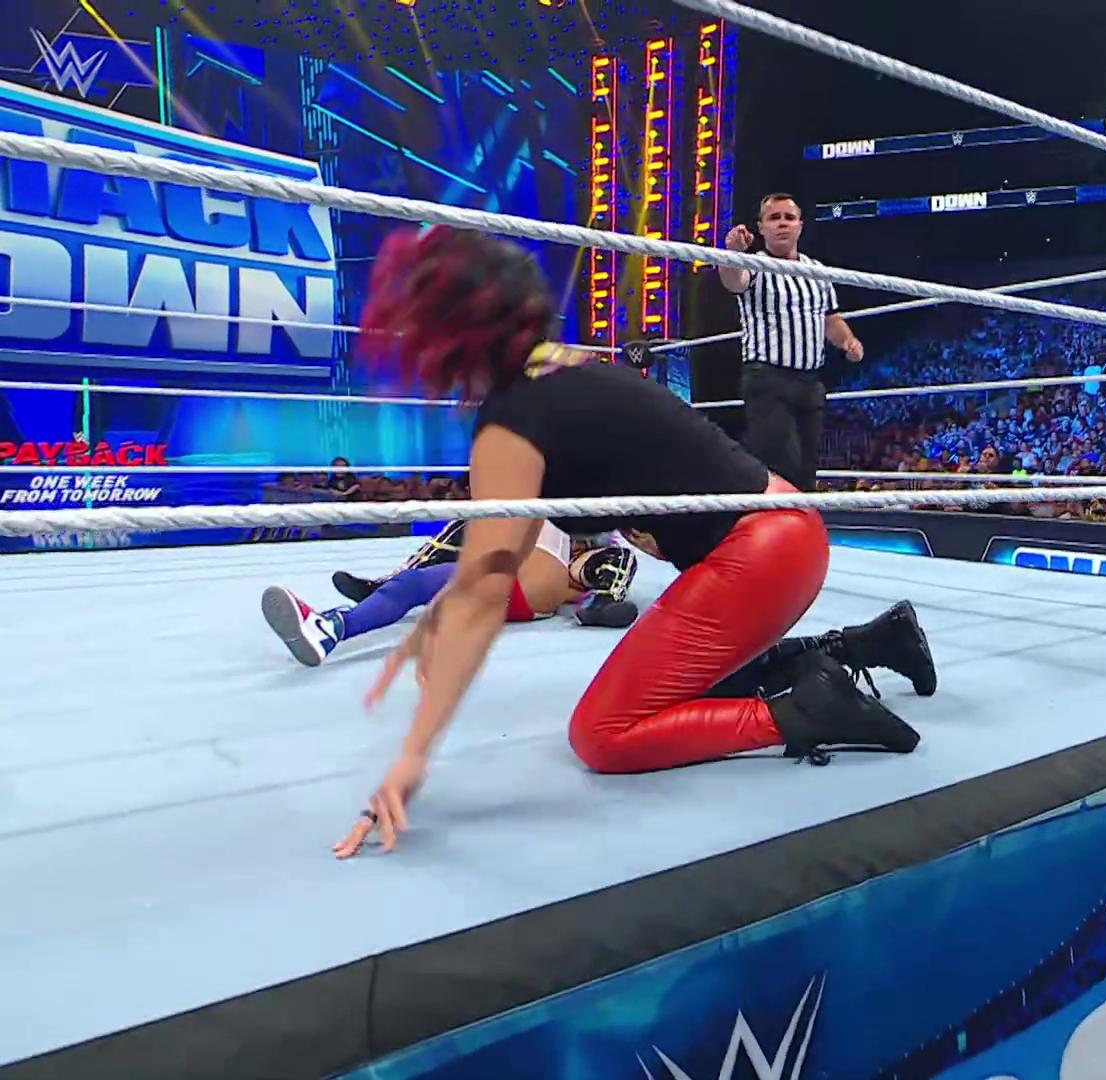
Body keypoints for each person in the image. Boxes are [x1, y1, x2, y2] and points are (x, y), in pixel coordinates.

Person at [333, 225, 931, 859]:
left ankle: (809, 711)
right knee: (672, 684)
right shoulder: (564, 364)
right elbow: (502, 561)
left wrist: (410, 759)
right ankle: (863, 644)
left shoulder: (510, 421)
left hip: (757, 554)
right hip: (782, 531)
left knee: (603, 733)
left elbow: (487, 592)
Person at [261, 520, 639, 667]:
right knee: (426, 580)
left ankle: (331, 628)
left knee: (414, 586)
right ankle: (342, 619)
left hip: (532, 583)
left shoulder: (571, 520)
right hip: (520, 585)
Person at [718, 193, 865, 492]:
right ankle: (775, 519)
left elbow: (830, 318)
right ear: (761, 227)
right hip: (768, 381)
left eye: (789, 217)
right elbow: (733, 282)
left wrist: (848, 341)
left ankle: (800, 521)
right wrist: (731, 253)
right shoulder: (754, 265)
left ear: (800, 225)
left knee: (807, 471)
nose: (782, 223)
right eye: (774, 218)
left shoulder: (816, 270)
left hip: (810, 383)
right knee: (781, 466)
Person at [327, 520, 644, 628]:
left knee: (619, 557)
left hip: (548, 575)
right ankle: (380, 589)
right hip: (521, 573)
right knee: (471, 523)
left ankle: (605, 602)